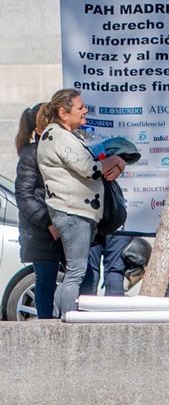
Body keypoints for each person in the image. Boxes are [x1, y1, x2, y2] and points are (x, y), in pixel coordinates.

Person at [36, 89, 125, 317]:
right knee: (76, 272)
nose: (85, 110)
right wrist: (116, 160)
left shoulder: (64, 135)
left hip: (76, 212)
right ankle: (68, 322)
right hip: (72, 212)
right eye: (80, 107)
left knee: (74, 273)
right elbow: (91, 169)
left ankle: (58, 319)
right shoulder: (59, 136)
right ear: (64, 113)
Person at [14, 103, 62, 319]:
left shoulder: (58, 149)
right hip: (42, 233)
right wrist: (48, 222)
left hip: (59, 228)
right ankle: (45, 332)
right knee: (45, 284)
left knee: (78, 279)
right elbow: (24, 197)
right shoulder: (31, 154)